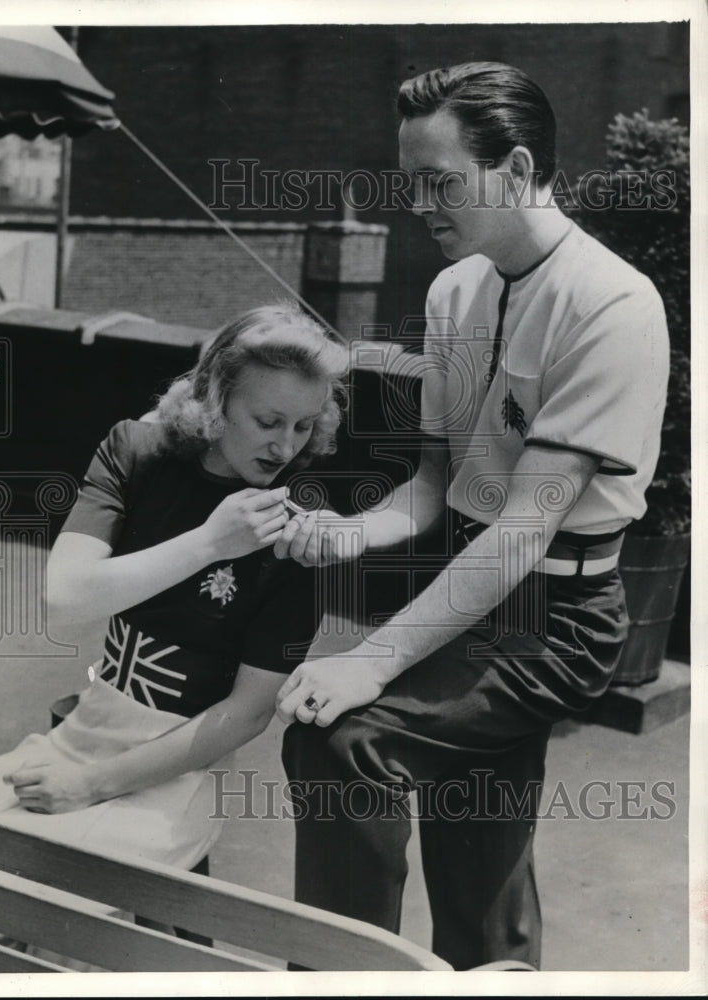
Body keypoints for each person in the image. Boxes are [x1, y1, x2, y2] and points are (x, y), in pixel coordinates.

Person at [274, 62, 670, 970]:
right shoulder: (456, 290)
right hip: (465, 583)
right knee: (481, 866)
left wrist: (374, 655)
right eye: (410, 182)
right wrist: (344, 533)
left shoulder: (612, 305)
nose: (419, 204)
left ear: (519, 165)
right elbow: (430, 484)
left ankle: (342, 978)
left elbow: (526, 529)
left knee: (342, 743)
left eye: (440, 182)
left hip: (555, 616)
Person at [0, 302, 347, 887]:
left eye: (303, 425)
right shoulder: (137, 450)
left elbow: (245, 715)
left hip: (180, 772)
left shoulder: (297, 534)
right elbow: (65, 598)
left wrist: (92, 786)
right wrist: (211, 543)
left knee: (31, 891)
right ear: (216, 400)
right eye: (268, 421)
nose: (285, 446)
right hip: (83, 731)